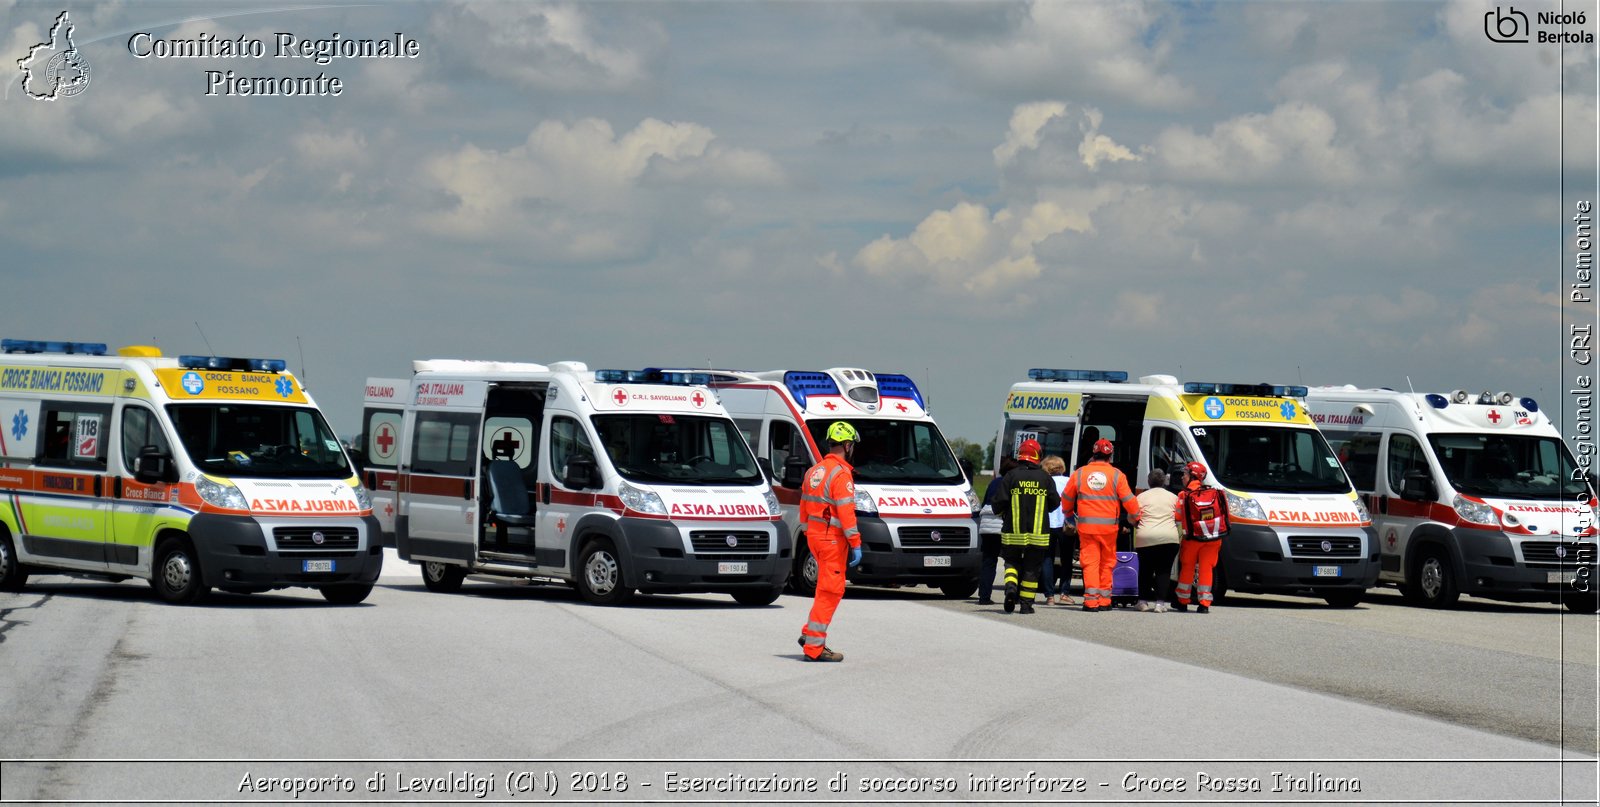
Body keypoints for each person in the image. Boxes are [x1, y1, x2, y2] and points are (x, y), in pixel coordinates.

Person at [796, 421, 863, 661]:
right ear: (846, 445)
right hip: (832, 541)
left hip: (815, 538)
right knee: (831, 591)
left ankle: (809, 633)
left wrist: (810, 534)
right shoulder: (841, 474)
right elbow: (846, 513)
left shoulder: (814, 471)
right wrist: (855, 543)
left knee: (824, 589)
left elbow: (803, 508)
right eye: (851, 445)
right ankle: (814, 648)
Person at [1060, 437, 1140, 612]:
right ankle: (1104, 601)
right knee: (1107, 562)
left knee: (1090, 563)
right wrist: (1135, 517)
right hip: (1109, 528)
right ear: (1110, 456)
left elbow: (1066, 497)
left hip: (1087, 528)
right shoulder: (1117, 475)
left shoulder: (1080, 473)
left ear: (1093, 454)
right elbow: (1129, 500)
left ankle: (1090, 602)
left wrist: (1068, 515)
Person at [995, 439, 1059, 614]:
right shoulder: (1045, 478)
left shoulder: (1011, 476)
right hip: (1038, 535)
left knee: (1011, 563)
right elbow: (1055, 503)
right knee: (1032, 570)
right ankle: (1025, 605)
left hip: (1012, 533)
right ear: (1038, 456)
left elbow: (998, 503)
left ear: (1020, 455)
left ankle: (1010, 588)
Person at [1173, 461, 1230, 614]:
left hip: (1192, 539)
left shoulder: (1184, 495)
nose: (1182, 478)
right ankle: (1204, 603)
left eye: (1184, 474)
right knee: (1206, 569)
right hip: (1213, 538)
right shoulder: (1215, 493)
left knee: (1187, 567)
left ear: (1192, 476)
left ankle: (1182, 601)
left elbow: (1177, 516)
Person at [1133, 468, 1181, 613]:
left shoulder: (1140, 497)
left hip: (1145, 537)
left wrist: (1136, 524)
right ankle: (1160, 604)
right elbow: (1178, 518)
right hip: (1169, 538)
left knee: (1145, 570)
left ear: (1149, 481)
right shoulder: (1174, 497)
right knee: (1164, 570)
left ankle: (1142, 602)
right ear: (1164, 482)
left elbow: (1133, 517)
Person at [974, 457, 1014, 605]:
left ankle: (984, 596)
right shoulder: (1011, 482)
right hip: (1002, 525)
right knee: (1011, 561)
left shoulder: (993, 483)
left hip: (986, 525)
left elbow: (984, 503)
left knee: (989, 562)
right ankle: (1012, 592)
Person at [1041, 454, 1075, 605]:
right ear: (1061, 467)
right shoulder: (1069, 481)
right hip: (1066, 524)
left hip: (1047, 524)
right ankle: (1064, 592)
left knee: (1047, 558)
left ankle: (1049, 596)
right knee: (1066, 559)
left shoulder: (1044, 481)